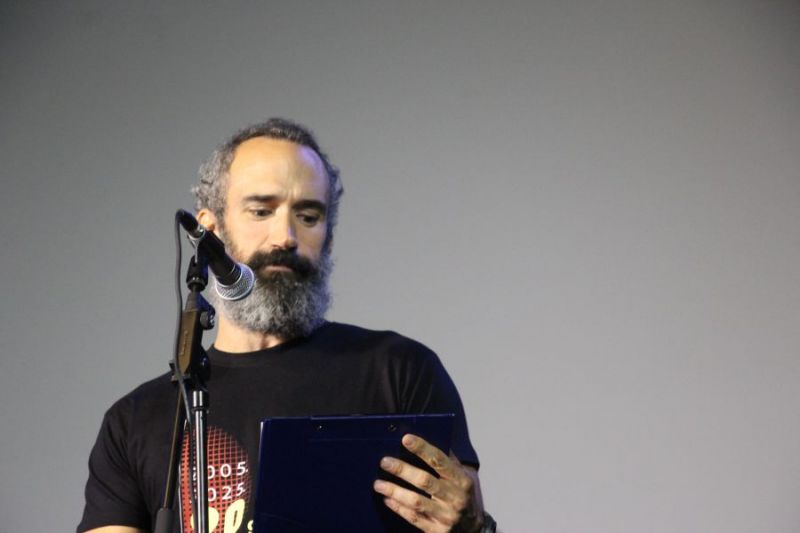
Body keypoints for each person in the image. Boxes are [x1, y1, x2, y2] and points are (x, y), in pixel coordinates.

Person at [77, 118, 494, 533]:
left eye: (308, 216)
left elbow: (460, 514)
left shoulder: (399, 371)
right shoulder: (136, 420)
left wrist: (474, 527)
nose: (286, 236)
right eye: (261, 211)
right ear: (210, 230)